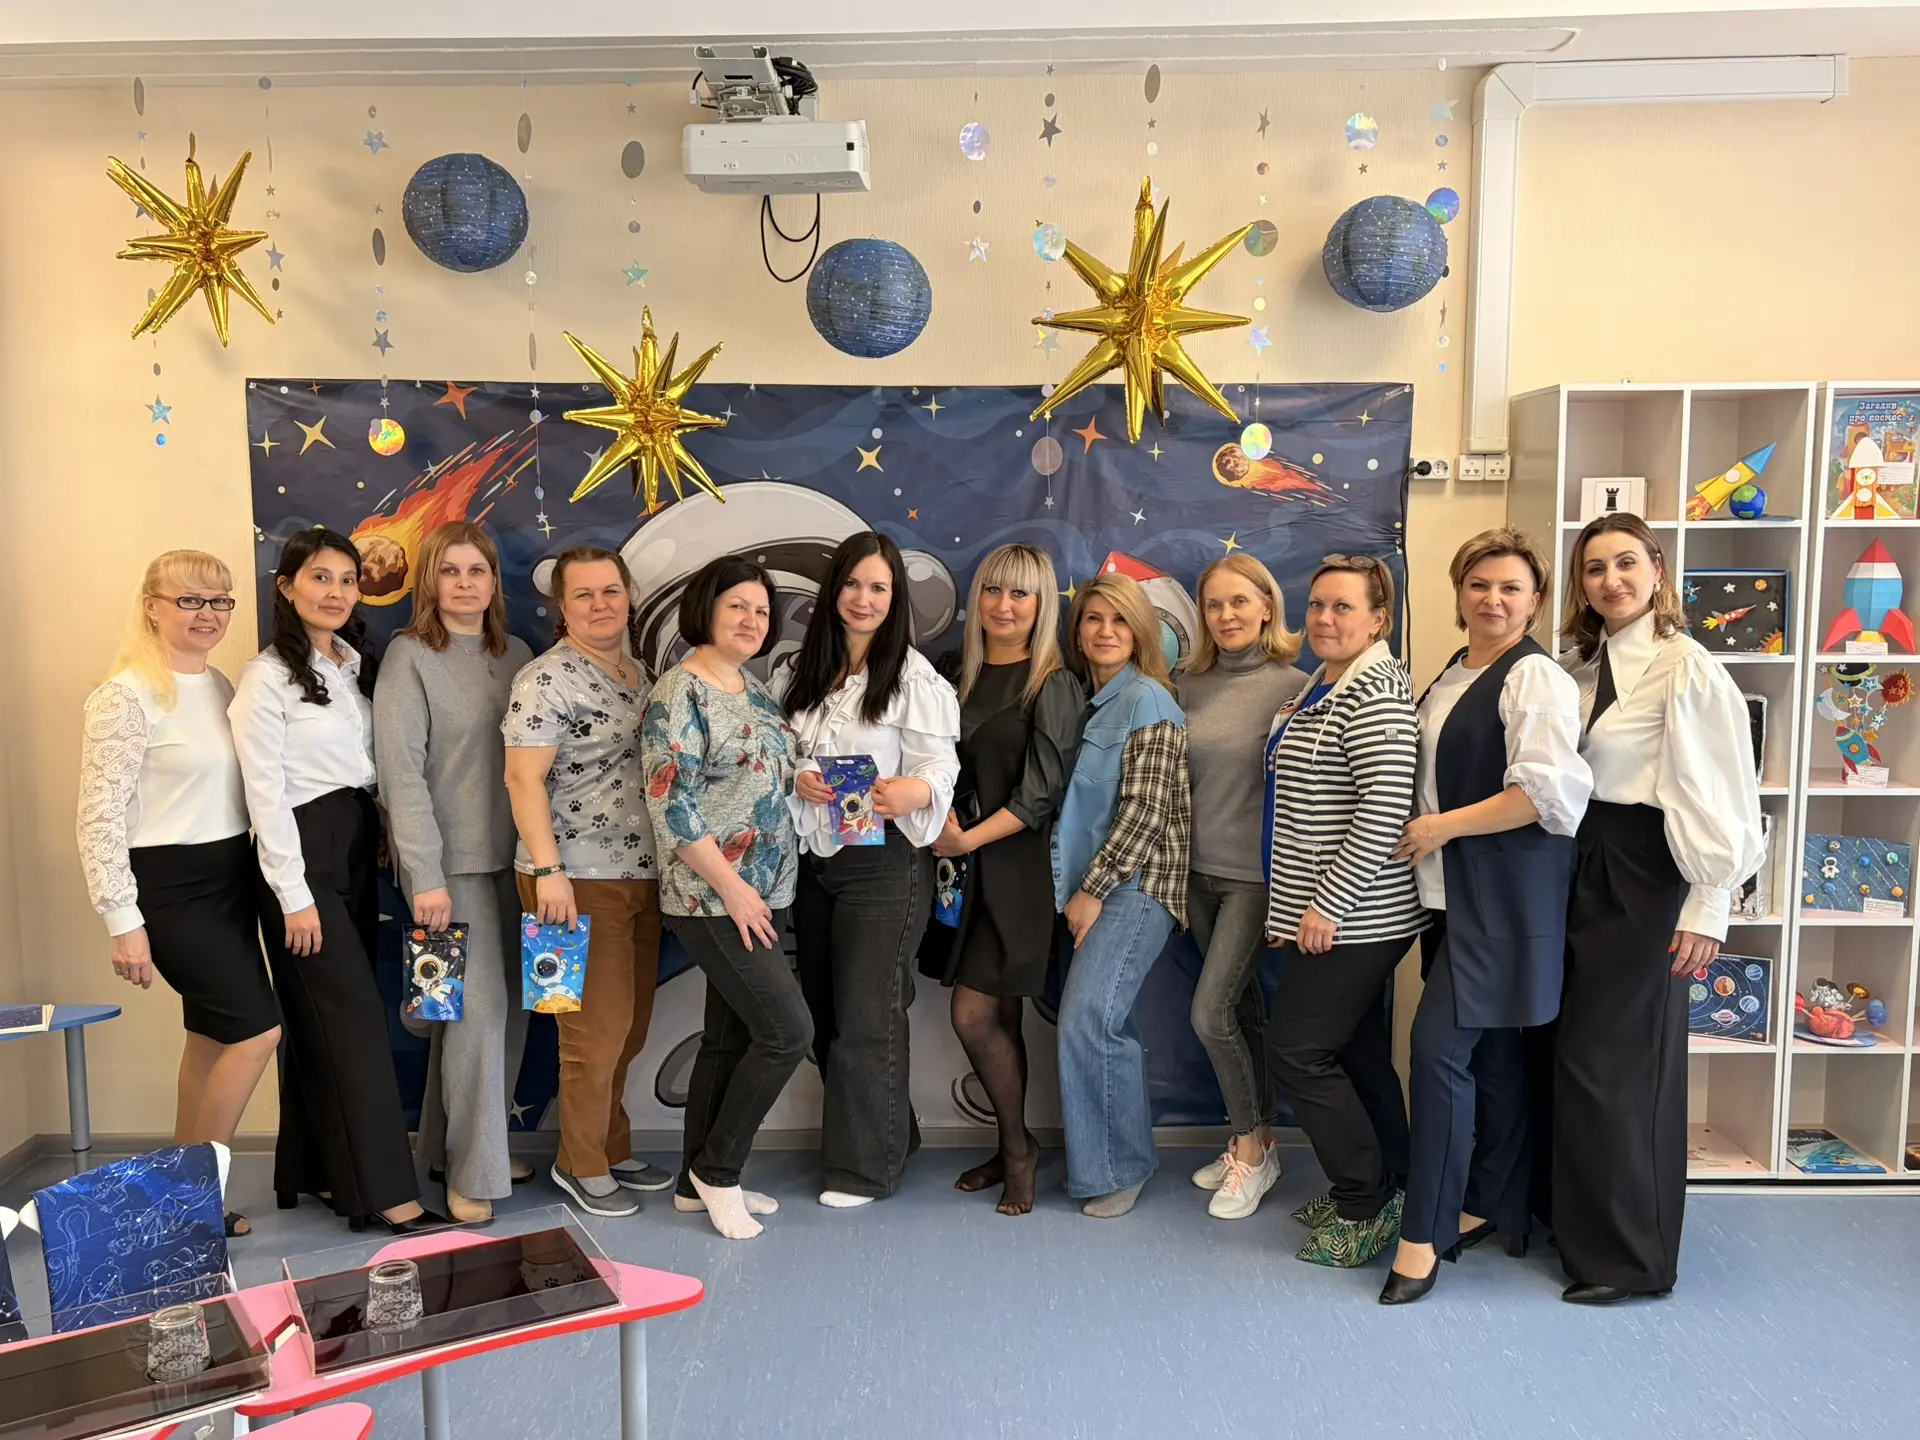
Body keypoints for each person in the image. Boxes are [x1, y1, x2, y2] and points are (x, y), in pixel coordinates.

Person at [1552, 514, 1762, 1305]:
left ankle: (1632, 1260)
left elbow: (1725, 791)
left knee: (1619, 1064)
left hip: (1645, 869)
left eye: (1626, 563)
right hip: (1580, 859)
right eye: (1594, 567)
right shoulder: (1578, 664)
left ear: (1657, 570)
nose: (1611, 580)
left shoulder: (1687, 668)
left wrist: (1710, 902)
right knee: (1574, 1056)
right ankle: (1579, 1229)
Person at [1379, 529, 1591, 1304]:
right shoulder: (1454, 670)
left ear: (1536, 602)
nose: (1493, 599)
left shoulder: (1534, 677)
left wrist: (1440, 828)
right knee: (1493, 1059)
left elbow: (1545, 796)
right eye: (1479, 584)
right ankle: (1492, 1201)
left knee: (1435, 1056)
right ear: (1459, 591)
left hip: (1499, 901)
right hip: (1450, 897)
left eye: (1511, 588)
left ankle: (1422, 1237)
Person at [231, 529, 447, 1234]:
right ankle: (386, 1194)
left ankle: (311, 1170)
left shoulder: (354, 666)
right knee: (351, 1022)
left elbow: (364, 766)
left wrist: (377, 827)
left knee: (322, 1019)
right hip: (299, 854)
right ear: (287, 586)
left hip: (353, 841)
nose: (336, 592)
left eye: (348, 580)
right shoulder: (265, 677)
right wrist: (293, 895)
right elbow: (263, 793)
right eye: (320, 577)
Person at [77, 549, 280, 1240]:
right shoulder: (125, 695)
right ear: (152, 606)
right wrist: (122, 919)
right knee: (257, 1030)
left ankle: (174, 1195)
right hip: (168, 887)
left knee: (210, 1036)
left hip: (231, 878)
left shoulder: (220, 684)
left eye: (219, 600)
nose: (207, 614)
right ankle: (195, 1201)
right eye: (189, 599)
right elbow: (99, 817)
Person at [782, 533, 960, 1208]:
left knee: (867, 1016)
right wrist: (799, 776)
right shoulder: (800, 672)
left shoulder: (914, 679)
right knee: (825, 1015)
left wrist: (916, 791)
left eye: (878, 587)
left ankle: (864, 1170)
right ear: (834, 591)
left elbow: (939, 766)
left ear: (895, 598)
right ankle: (890, 1135)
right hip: (815, 861)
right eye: (853, 584)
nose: (863, 598)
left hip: (884, 865)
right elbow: (777, 751)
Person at [1262, 554, 1425, 1267]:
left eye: (1343, 607)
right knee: (1356, 1053)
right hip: (1325, 910)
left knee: (1296, 1052)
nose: (1324, 619)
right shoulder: (1324, 683)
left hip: (1358, 917)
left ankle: (1363, 1201)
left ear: (1378, 620)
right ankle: (1397, 1183)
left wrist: (1326, 906)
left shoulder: (1375, 696)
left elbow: (1383, 810)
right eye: (1317, 605)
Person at [375, 522, 536, 1224]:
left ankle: (468, 1150)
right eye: (450, 570)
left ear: (495, 581)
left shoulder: (518, 654)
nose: (465, 583)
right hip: (448, 870)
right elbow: (400, 774)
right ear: (430, 582)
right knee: (471, 1018)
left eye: (477, 570)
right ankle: (472, 1176)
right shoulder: (409, 656)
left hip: (521, 864)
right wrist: (425, 875)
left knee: (510, 1014)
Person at [504, 545, 672, 1217]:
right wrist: (550, 873)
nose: (600, 604)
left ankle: (610, 1143)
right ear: (562, 606)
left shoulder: (641, 674)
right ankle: (580, 1162)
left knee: (628, 1030)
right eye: (584, 594)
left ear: (629, 596)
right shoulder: (545, 679)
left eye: (611, 591)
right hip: (569, 880)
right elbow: (522, 779)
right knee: (590, 1036)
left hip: (642, 875)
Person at [642, 554, 806, 1241]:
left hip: (768, 890)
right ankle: (720, 1171)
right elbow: (671, 806)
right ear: (706, 611)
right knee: (788, 1033)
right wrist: (735, 890)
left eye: (762, 610)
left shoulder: (756, 689)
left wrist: (806, 782)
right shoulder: (679, 692)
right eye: (738, 605)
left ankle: (692, 1183)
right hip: (712, 897)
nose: (752, 619)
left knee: (729, 1037)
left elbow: (770, 775)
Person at [932, 545, 1086, 1216]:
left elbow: (1040, 795)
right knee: (998, 1014)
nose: (1004, 605)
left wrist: (967, 838)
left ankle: (1020, 1149)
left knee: (972, 1014)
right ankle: (1009, 1142)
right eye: (994, 590)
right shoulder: (951, 673)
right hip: (956, 871)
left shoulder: (1052, 683)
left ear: (1041, 605)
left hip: (1017, 870)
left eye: (1021, 594)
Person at [1053, 572, 1191, 1219]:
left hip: (1136, 889)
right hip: (1099, 888)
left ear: (1141, 632)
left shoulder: (1150, 701)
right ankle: (1112, 1158)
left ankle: (1120, 1167)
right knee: (1105, 1019)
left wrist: (1091, 891)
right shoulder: (1092, 703)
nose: (1106, 631)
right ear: (1078, 632)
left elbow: (1146, 811)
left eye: (1119, 620)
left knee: (1088, 1018)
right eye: (1093, 619)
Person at [1176, 554, 1310, 1220]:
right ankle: (1255, 1139)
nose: (1226, 615)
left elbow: (1310, 796)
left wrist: (1299, 891)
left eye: (1239, 602)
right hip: (1195, 876)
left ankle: (1252, 1154)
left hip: (1256, 882)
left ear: (1267, 606)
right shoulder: (1185, 683)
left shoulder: (1299, 687)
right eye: (1213, 604)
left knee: (1210, 1014)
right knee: (1241, 1012)